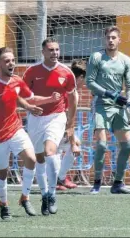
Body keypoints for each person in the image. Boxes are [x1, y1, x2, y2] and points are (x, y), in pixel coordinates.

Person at [0, 47, 60, 220]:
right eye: (7, 61)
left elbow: (28, 97)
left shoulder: (17, 80)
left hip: (15, 129)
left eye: (13, 60)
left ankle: (25, 197)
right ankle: (3, 204)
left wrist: (48, 99)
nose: (11, 63)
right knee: (2, 173)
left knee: (31, 159)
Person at [23, 37, 79, 216]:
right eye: (51, 50)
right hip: (35, 118)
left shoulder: (66, 72)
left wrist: (70, 124)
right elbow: (24, 97)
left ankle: (53, 193)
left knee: (50, 152)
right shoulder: (31, 71)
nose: (55, 53)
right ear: (43, 52)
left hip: (57, 117)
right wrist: (33, 106)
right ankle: (45, 194)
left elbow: (72, 97)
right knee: (39, 158)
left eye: (57, 49)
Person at [85, 26, 130, 195]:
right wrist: (111, 95)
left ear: (119, 40)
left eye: (114, 37)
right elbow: (90, 82)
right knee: (101, 144)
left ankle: (118, 183)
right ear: (104, 39)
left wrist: (129, 100)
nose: (111, 40)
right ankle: (97, 183)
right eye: (108, 37)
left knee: (127, 145)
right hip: (101, 104)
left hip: (119, 107)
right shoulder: (97, 57)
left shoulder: (126, 60)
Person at [56, 59, 86, 190]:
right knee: (73, 145)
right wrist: (73, 143)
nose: (85, 83)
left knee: (56, 150)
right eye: (85, 79)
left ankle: (58, 179)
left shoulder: (62, 85)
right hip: (54, 127)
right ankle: (59, 179)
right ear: (80, 77)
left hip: (48, 125)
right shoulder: (72, 93)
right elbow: (69, 120)